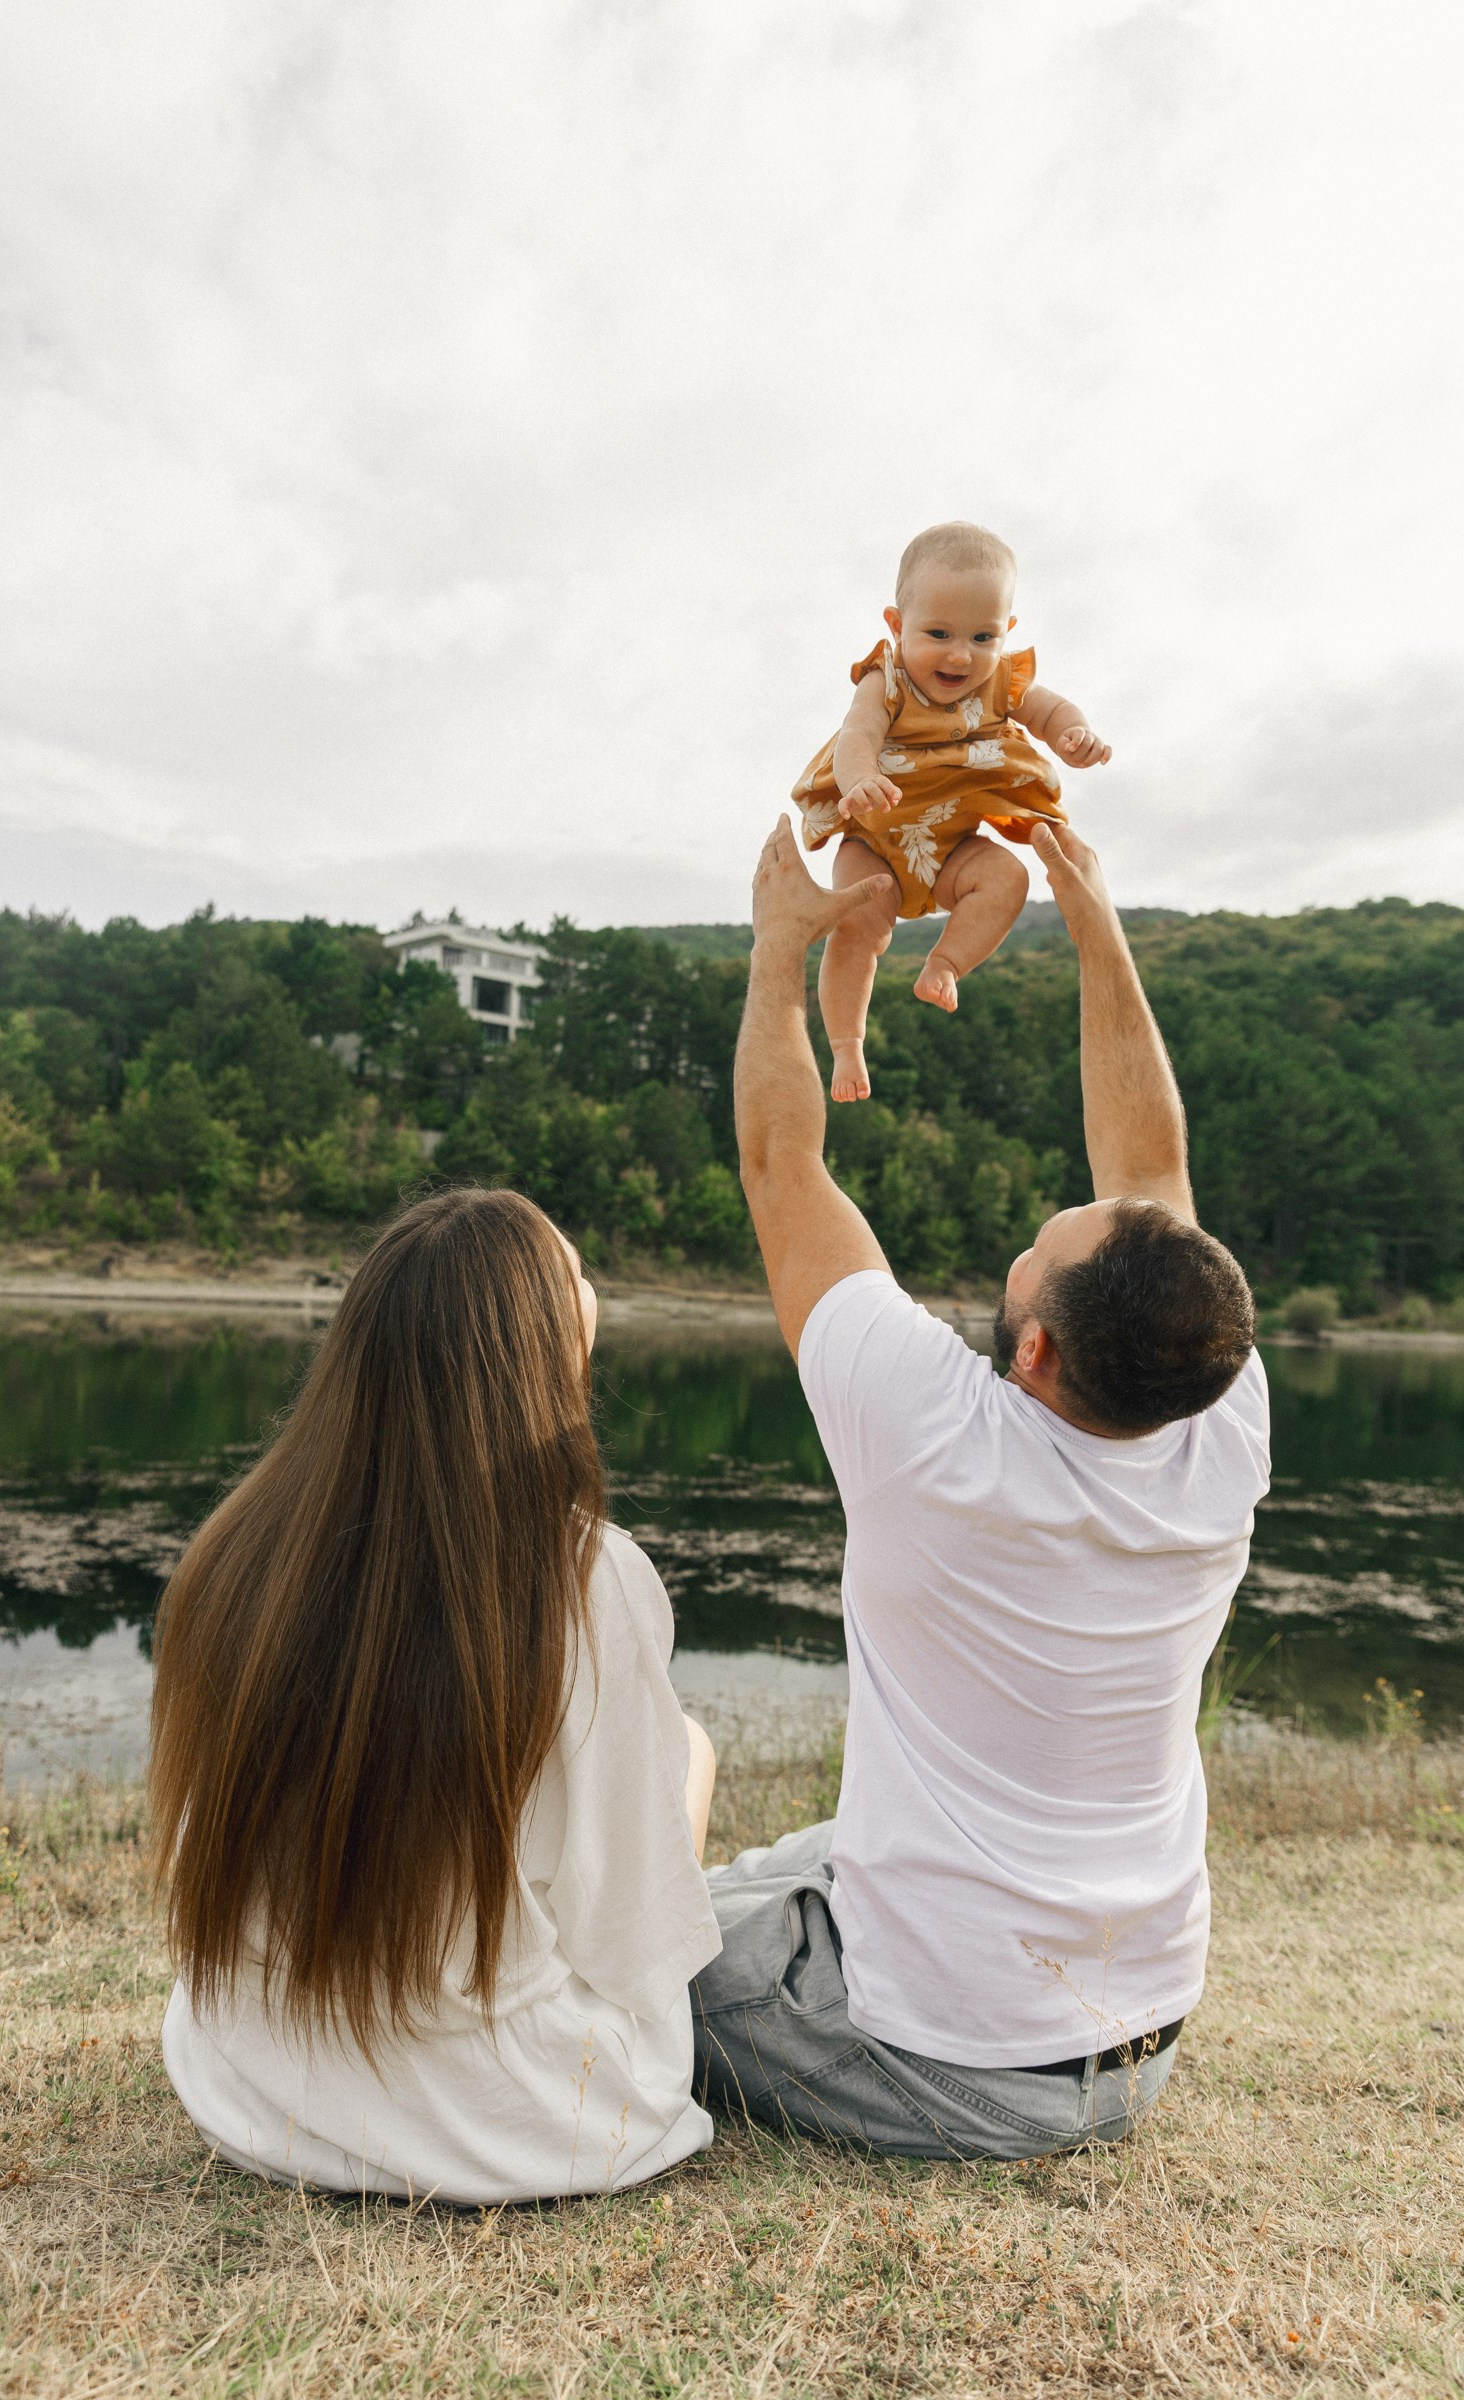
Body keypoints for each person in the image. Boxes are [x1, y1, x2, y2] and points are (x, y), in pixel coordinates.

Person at [693, 815, 1268, 2161]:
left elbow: (785, 1168)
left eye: (1031, 1251)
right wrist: (1093, 918)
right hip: (1140, 2043)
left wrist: (780, 959)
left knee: (620, 1942)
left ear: (1040, 1347)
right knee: (793, 1858)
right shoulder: (1218, 1411)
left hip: (949, 2067)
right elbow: (1153, 1172)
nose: (1032, 1238)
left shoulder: (933, 1437)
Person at [150, 1188, 721, 2205]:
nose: (593, 1292)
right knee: (694, 1750)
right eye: (576, 1275)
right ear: (537, 1342)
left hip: (253, 2082)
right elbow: (632, 1935)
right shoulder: (584, 1578)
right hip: (502, 2124)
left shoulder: (234, 1551)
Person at [793, 521, 1111, 1101]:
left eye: (983, 637)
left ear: (1006, 633)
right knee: (856, 926)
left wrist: (1074, 735)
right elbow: (856, 734)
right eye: (938, 633)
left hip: (952, 849)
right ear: (896, 626)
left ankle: (945, 965)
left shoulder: (1001, 683)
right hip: (877, 842)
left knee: (1006, 877)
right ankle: (845, 1045)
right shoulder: (884, 681)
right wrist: (860, 778)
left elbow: (1052, 710)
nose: (961, 655)